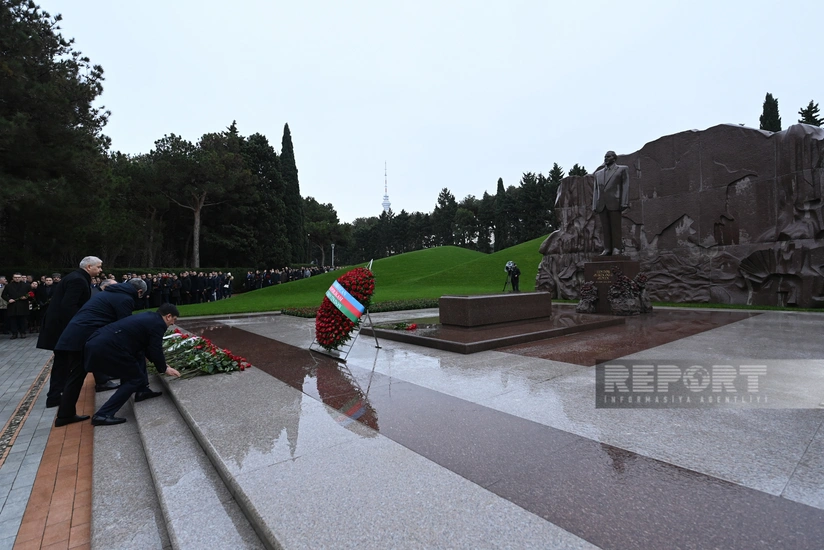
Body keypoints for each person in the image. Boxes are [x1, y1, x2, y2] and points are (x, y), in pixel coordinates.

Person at [52, 278, 148, 427]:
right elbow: (126, 326)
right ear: (139, 291)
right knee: (78, 375)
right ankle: (98, 413)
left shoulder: (111, 293)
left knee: (76, 376)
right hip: (83, 338)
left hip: (75, 335)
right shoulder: (125, 298)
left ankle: (65, 415)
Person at [85, 304, 182, 426]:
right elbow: (155, 348)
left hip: (101, 343)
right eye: (174, 320)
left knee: (139, 355)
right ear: (168, 316)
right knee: (135, 378)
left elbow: (146, 347)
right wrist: (164, 368)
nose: (173, 323)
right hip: (108, 348)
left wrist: (161, 364)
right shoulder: (158, 324)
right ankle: (102, 414)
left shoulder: (150, 317)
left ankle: (142, 391)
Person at [38, 256, 105, 407]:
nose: (101, 270)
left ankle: (57, 395)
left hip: (63, 328)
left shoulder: (76, 277)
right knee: (66, 362)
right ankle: (57, 395)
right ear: (89, 267)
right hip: (64, 329)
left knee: (68, 361)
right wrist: (79, 327)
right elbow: (68, 307)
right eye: (99, 267)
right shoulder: (78, 280)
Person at [592, 150, 630, 256]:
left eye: (608, 157)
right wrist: (594, 204)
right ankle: (607, 248)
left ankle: (617, 248)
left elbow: (625, 186)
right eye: (605, 157)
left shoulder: (622, 169)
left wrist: (624, 202)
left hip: (615, 202)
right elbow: (596, 190)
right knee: (605, 228)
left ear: (614, 158)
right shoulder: (598, 174)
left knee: (615, 227)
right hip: (601, 204)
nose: (605, 158)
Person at [2, 273, 31, 339]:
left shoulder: (26, 285)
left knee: (23, 320)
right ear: (13, 278)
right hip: (12, 305)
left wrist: (26, 297)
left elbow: (31, 294)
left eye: (18, 277)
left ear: (21, 278)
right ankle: (14, 333)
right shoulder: (8, 286)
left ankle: (23, 332)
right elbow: (3, 295)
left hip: (23, 305)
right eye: (15, 277)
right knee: (13, 320)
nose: (17, 278)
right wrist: (9, 299)